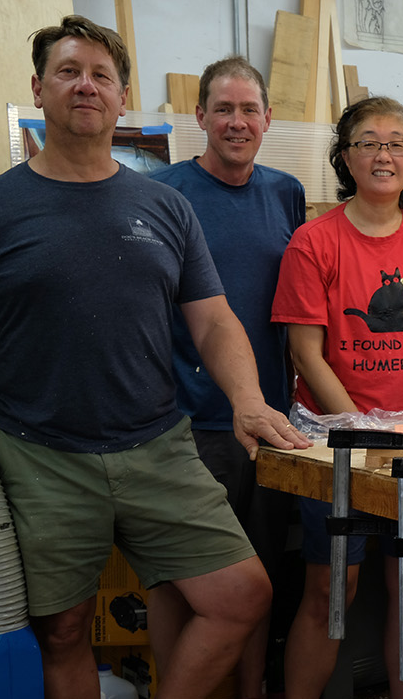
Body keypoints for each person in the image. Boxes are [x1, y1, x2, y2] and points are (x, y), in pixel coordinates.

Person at [0, 15, 311, 699]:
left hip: (158, 445)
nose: (85, 86)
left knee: (241, 596)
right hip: (42, 454)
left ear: (123, 97)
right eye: (68, 72)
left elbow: (212, 321)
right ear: (39, 88)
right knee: (62, 630)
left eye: (101, 75)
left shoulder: (164, 206)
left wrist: (246, 399)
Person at [271, 97, 403, 699]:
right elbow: (306, 352)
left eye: (398, 143)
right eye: (368, 142)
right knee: (332, 589)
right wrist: (359, 425)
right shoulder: (313, 243)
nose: (383, 155)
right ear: (344, 156)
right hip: (337, 440)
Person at [147, 55, 305, 698]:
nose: (236, 122)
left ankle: (251, 691)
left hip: (267, 420)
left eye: (249, 110)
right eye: (223, 109)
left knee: (258, 576)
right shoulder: (164, 194)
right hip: (188, 421)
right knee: (180, 579)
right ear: (200, 116)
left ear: (268, 119)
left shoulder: (285, 192)